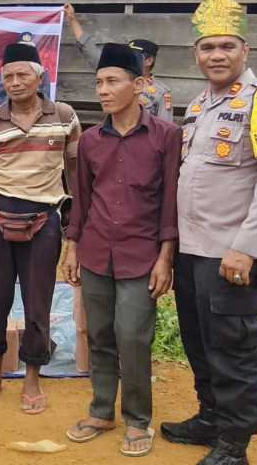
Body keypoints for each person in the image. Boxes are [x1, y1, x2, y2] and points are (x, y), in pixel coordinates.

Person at [161, 0, 257, 465]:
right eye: (208, 47)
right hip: (191, 249)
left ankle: (235, 443)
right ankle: (211, 417)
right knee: (198, 339)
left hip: (231, 252)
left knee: (234, 346)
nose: (217, 54)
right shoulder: (199, 105)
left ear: (246, 50)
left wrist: (247, 248)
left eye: (227, 45)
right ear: (196, 54)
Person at [61, 43, 180, 457]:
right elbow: (82, 199)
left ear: (140, 84)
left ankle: (136, 418)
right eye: (98, 82)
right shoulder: (91, 141)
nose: (103, 90)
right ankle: (100, 411)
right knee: (100, 335)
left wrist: (166, 258)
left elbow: (170, 204)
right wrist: (72, 247)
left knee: (133, 337)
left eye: (112, 81)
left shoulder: (167, 137)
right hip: (95, 251)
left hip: (141, 256)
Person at [0, 41, 80, 415]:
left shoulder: (64, 115)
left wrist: (75, 223)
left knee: (38, 301)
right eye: (9, 76)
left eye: (23, 74)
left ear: (40, 77)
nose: (16, 82)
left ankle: (32, 378)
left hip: (45, 219)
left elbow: (75, 170)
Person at [63, 4, 174, 122]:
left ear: (149, 61)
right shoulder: (115, 72)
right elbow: (90, 51)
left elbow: (165, 128)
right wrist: (72, 20)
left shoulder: (161, 92)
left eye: (136, 56)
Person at [0, 32, 53, 107]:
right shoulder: (5, 70)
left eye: (23, 75)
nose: (15, 83)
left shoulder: (42, 71)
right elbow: (0, 96)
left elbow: (45, 95)